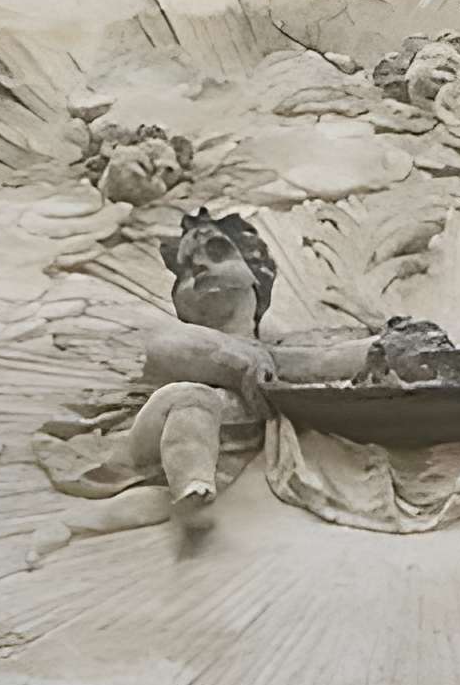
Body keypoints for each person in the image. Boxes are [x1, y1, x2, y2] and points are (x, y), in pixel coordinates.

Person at [34, 209, 364, 542]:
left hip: (221, 448)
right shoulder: (178, 338)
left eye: (217, 252)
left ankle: (81, 523)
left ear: (257, 272)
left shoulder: (278, 351)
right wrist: (250, 365)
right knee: (192, 398)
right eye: (186, 269)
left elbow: (326, 360)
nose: (201, 267)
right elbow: (177, 349)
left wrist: (391, 345)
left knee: (155, 498)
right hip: (154, 428)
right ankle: (191, 484)